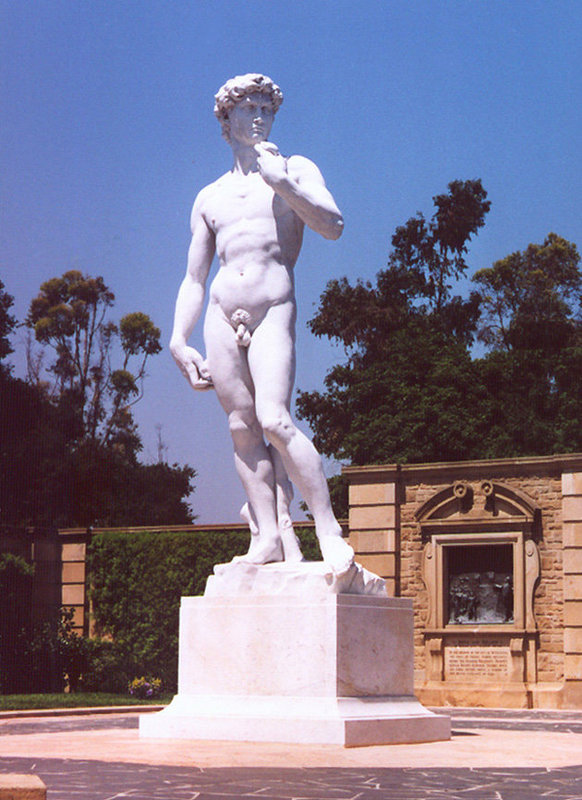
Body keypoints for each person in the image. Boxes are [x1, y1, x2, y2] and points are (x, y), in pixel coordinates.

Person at [170, 74, 354, 575]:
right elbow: (193, 278)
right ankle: (269, 537)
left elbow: (333, 226)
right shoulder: (209, 197)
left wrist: (284, 185)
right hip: (220, 315)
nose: (258, 116)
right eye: (247, 108)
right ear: (226, 120)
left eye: (265, 109)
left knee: (274, 418)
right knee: (241, 429)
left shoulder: (294, 168)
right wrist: (178, 340)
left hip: (273, 307)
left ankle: (328, 529)